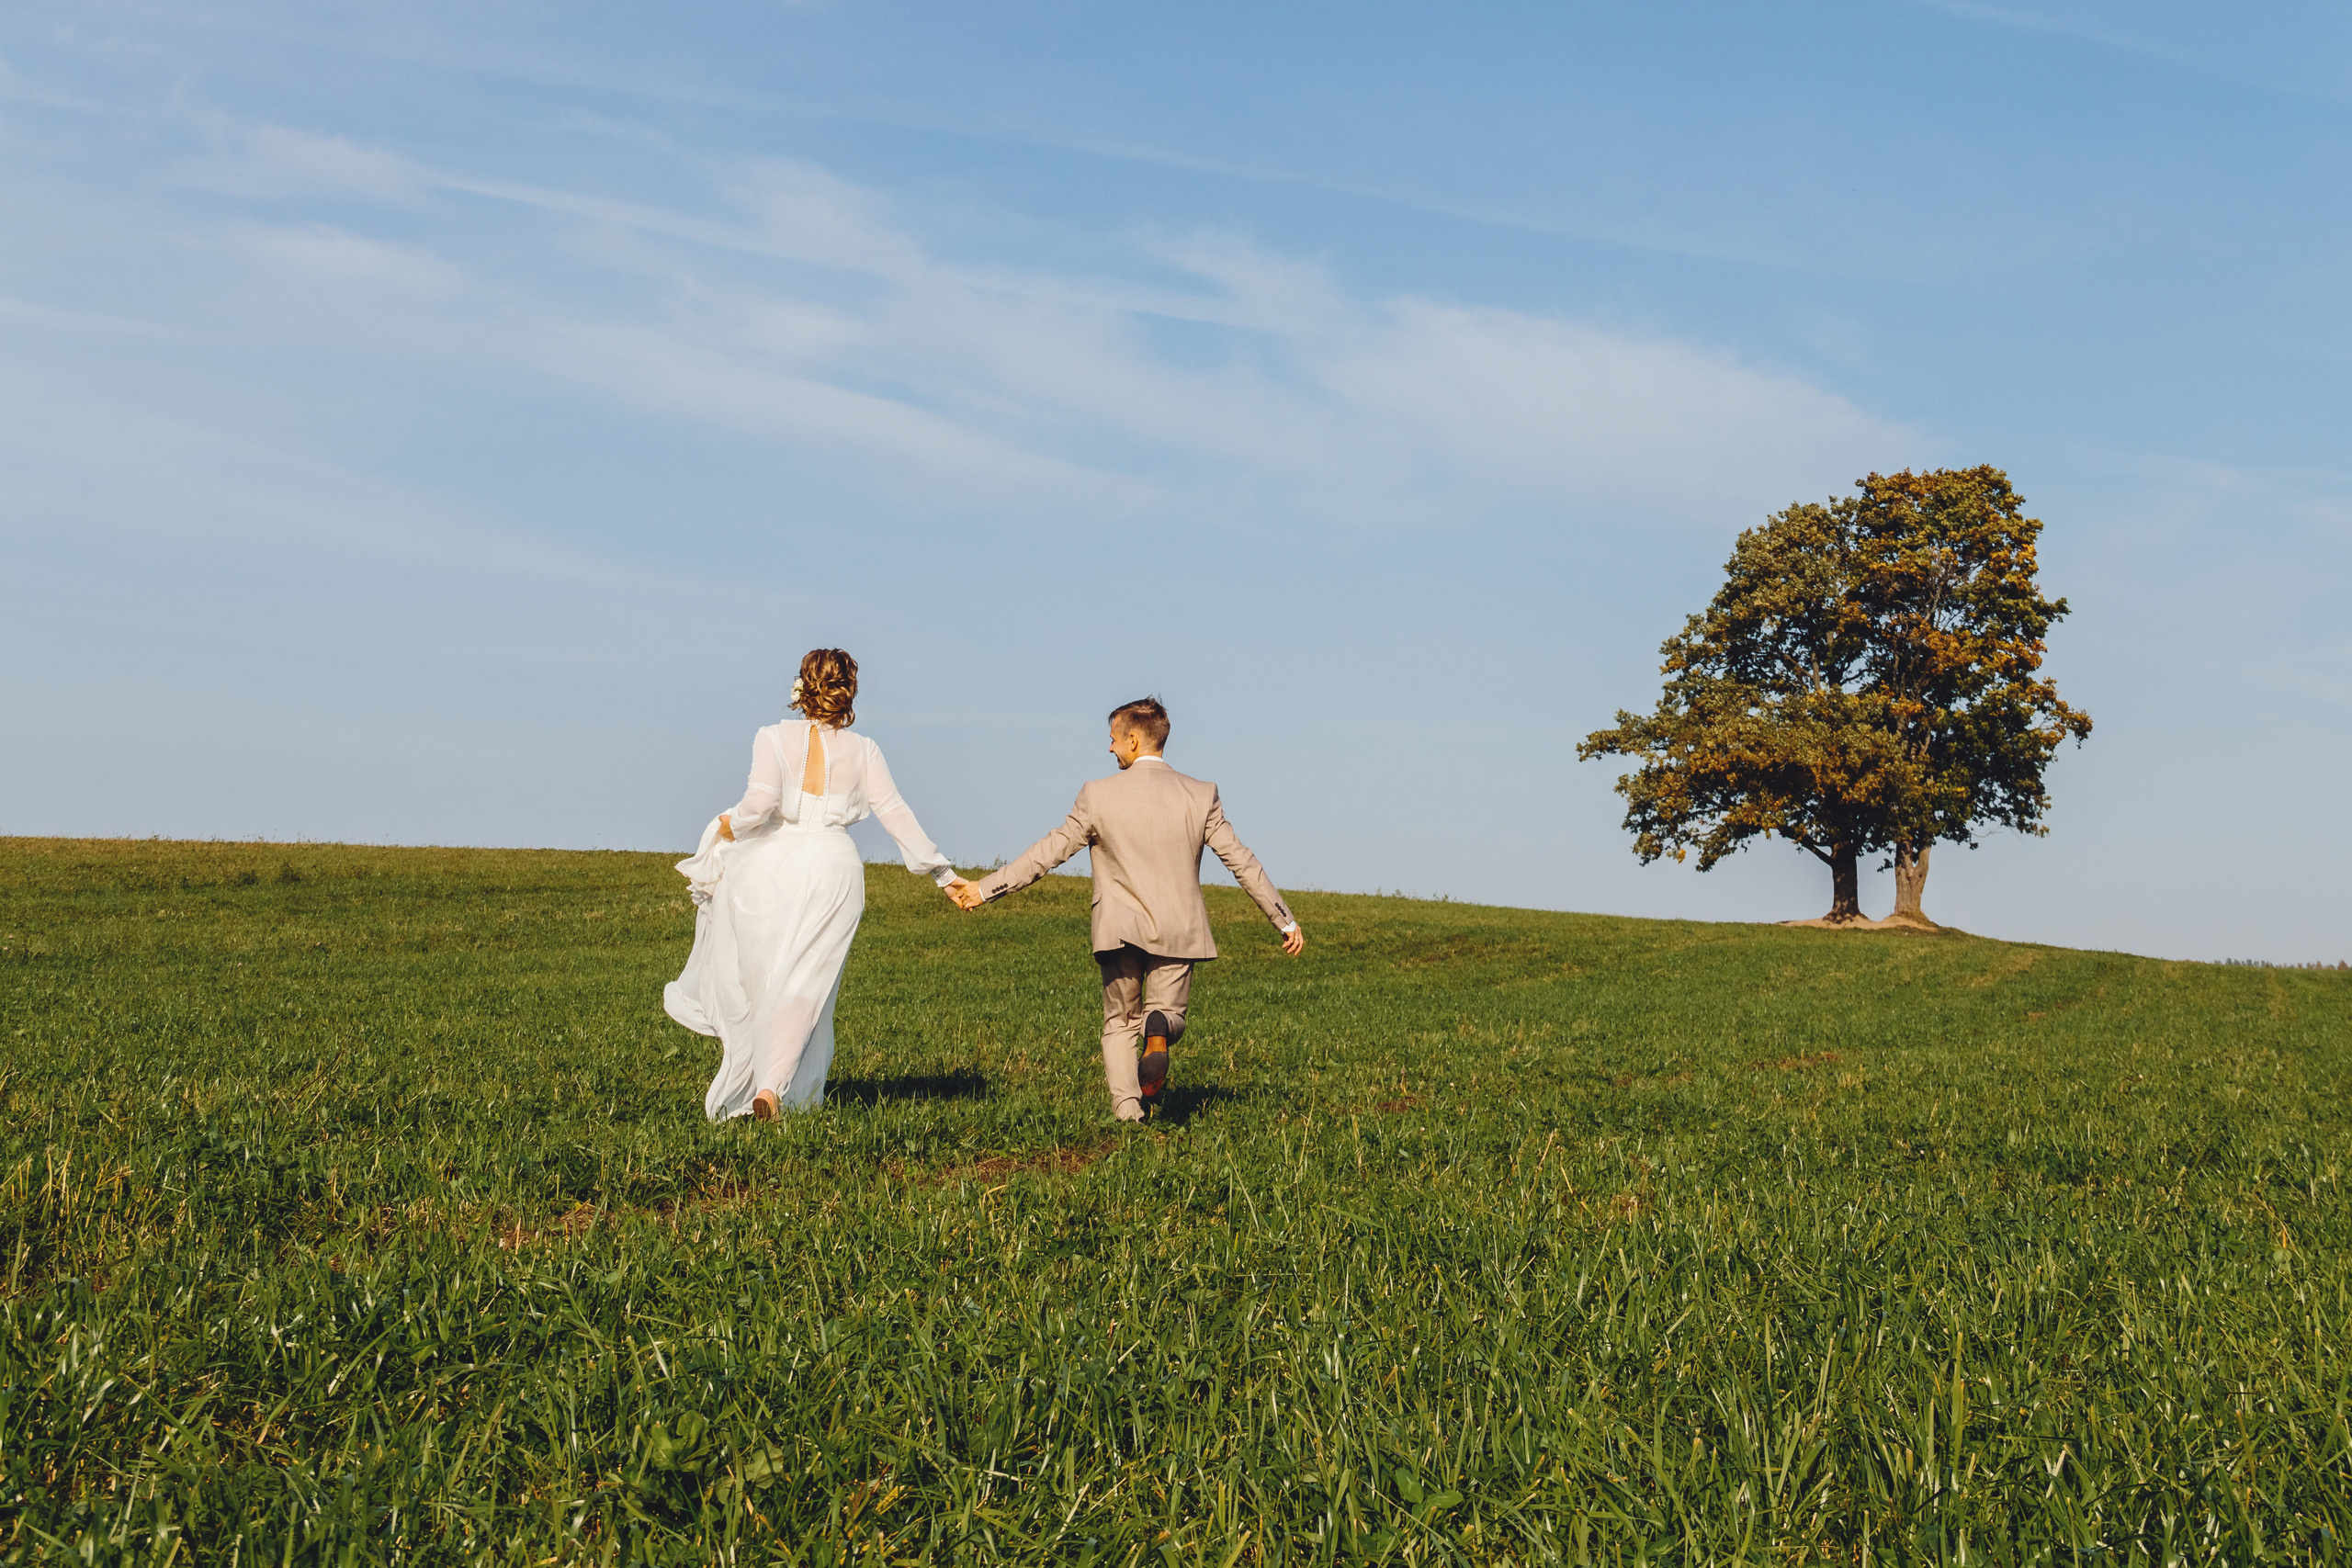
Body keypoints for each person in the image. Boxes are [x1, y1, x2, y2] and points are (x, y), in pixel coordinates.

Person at [951, 696, 1303, 1122]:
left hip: (1116, 928)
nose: (1110, 748)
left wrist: (986, 889)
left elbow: (1048, 853)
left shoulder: (1097, 795)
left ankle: (1127, 1114)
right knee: (1168, 1014)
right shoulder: (1201, 795)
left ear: (1134, 740)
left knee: (1119, 1021)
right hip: (1179, 927)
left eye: (1114, 739)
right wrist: (1284, 918)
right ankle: (1160, 1026)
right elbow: (1241, 861)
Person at [665, 649, 970, 1121]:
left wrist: (728, 826)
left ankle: (768, 1084)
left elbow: (760, 804)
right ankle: (772, 1087)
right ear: (848, 690)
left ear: (802, 685)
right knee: (808, 985)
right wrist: (942, 874)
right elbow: (895, 814)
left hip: (774, 868)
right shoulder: (865, 750)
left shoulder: (772, 737)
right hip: (835, 868)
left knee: (771, 978)